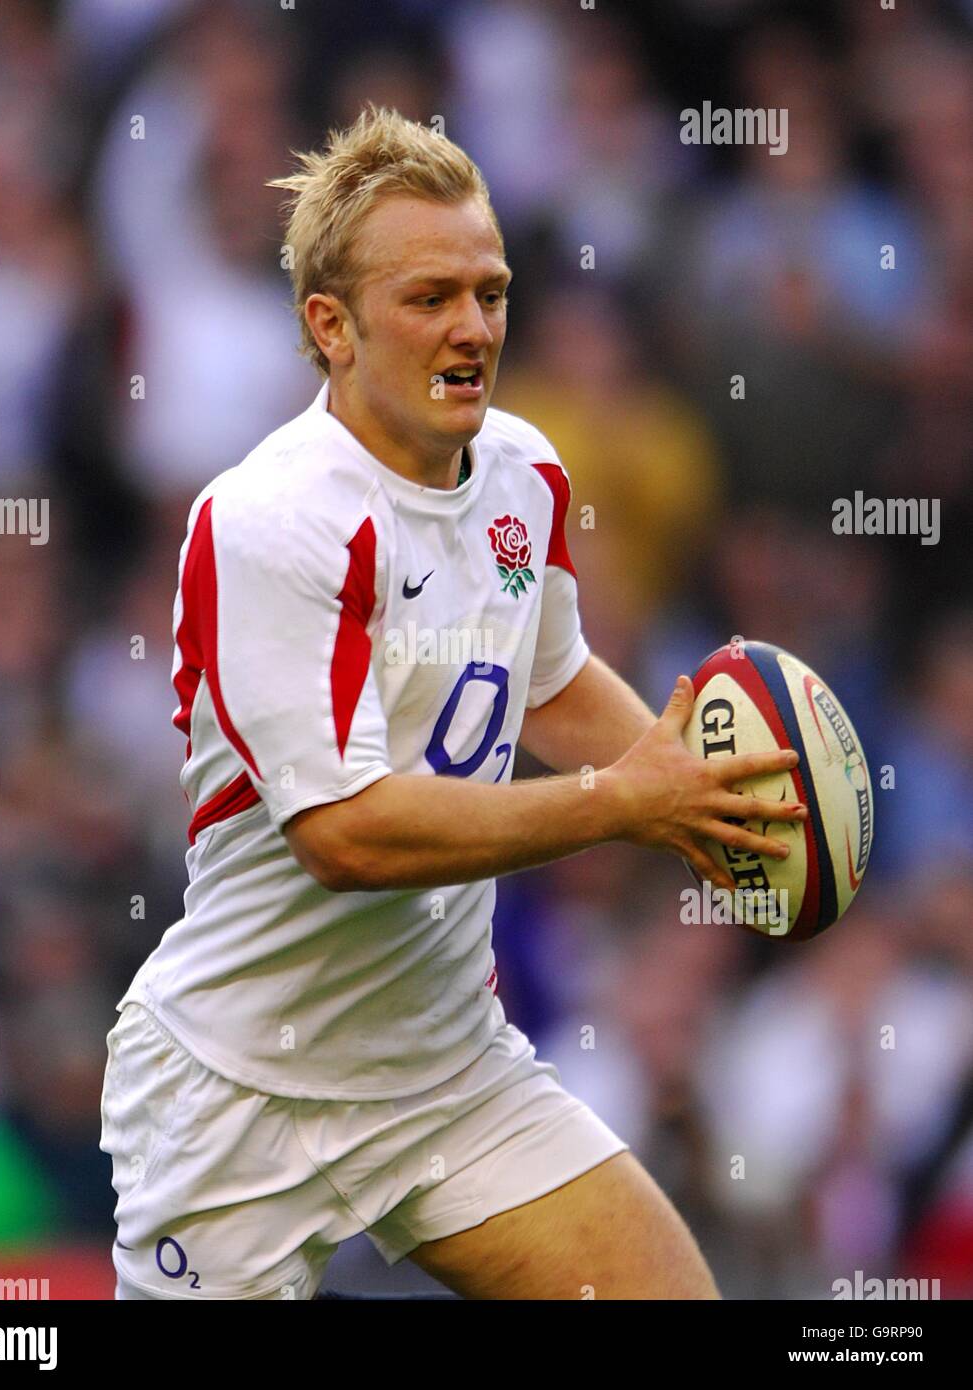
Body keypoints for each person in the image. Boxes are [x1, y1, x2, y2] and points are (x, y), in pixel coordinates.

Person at [99, 105, 805, 1300]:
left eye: (490, 291)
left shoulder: (525, 470)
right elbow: (345, 835)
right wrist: (621, 803)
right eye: (429, 298)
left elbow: (551, 680)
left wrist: (702, 794)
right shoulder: (270, 520)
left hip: (445, 1072)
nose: (472, 327)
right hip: (237, 1094)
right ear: (330, 326)